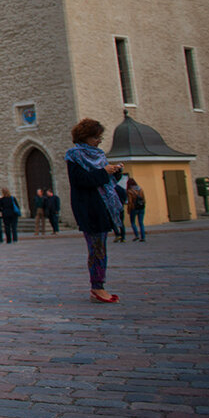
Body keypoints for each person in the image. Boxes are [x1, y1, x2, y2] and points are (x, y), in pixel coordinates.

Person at [66, 118, 124, 303]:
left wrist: (114, 171)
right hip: (89, 208)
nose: (99, 140)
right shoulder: (74, 156)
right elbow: (80, 181)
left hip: (102, 206)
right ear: (85, 137)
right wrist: (103, 172)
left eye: (100, 137)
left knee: (100, 248)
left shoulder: (99, 155)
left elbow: (106, 182)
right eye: (96, 137)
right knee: (97, 249)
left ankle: (99, 286)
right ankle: (97, 287)